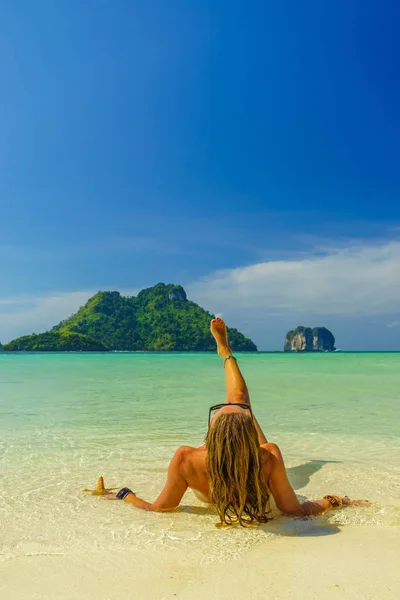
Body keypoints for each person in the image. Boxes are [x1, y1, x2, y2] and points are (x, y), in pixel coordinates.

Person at [105, 318, 369, 526]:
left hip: (220, 472)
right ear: (250, 438)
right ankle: (227, 353)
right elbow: (296, 512)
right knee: (240, 400)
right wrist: (336, 501)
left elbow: (158, 509)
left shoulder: (186, 459)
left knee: (238, 401)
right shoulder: (268, 456)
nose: (225, 408)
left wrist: (123, 494)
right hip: (255, 474)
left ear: (213, 434)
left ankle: (225, 353)